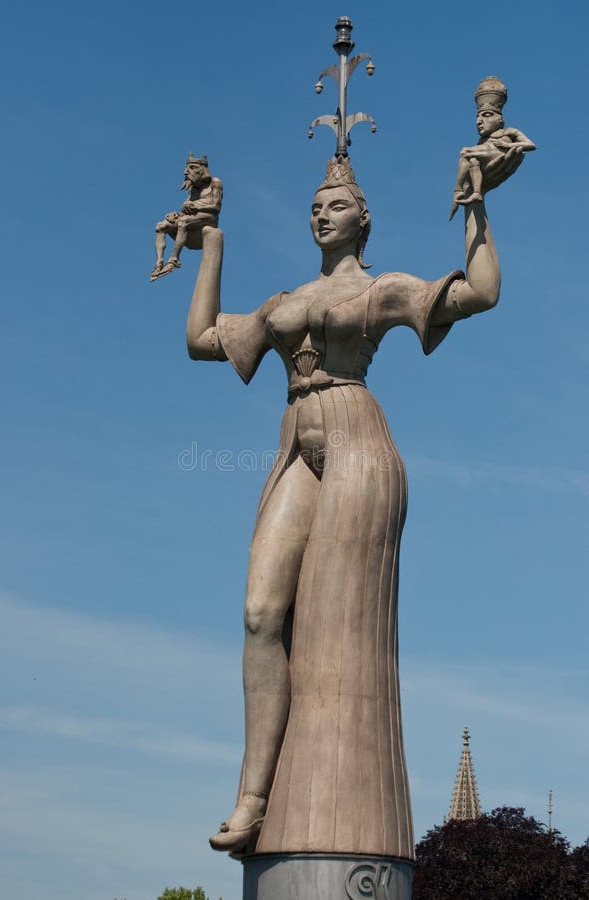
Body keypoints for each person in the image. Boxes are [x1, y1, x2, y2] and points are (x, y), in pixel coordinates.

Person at [185, 155, 508, 858]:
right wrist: (211, 242)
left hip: (357, 437)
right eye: (314, 204)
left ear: (363, 220)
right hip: (293, 442)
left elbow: (481, 294)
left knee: (338, 622)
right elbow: (201, 340)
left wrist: (477, 207)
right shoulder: (281, 303)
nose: (320, 213)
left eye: (335, 204)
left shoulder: (383, 289)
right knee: (261, 614)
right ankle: (253, 797)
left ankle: (328, 806)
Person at [450, 77, 535, 220]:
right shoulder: (482, 141)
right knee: (472, 160)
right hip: (487, 158)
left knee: (465, 152)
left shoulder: (508, 132)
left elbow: (531, 145)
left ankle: (457, 191)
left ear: (500, 119)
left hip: (498, 153)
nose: (479, 122)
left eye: (486, 115)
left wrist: (509, 145)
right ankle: (475, 192)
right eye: (478, 117)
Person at [151, 154, 223, 281]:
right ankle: (159, 263)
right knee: (161, 226)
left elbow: (215, 206)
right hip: (193, 216)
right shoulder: (193, 187)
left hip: (209, 217)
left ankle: (174, 260)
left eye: (192, 168)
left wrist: (195, 207)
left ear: (202, 169)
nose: (186, 172)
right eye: (187, 168)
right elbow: (187, 207)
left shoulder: (215, 183)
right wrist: (177, 214)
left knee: (183, 222)